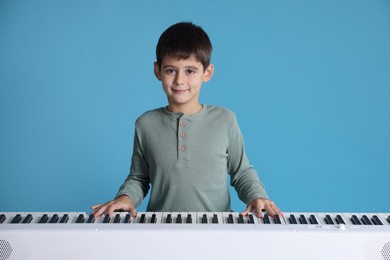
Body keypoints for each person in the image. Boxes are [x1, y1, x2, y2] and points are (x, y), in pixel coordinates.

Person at [92, 22, 282, 219]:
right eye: (171, 70)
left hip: (217, 230)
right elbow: (139, 177)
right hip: (160, 230)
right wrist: (125, 197)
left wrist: (257, 196)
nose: (179, 80)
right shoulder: (145, 124)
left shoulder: (225, 120)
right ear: (158, 71)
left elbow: (241, 171)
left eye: (190, 71)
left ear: (207, 73)